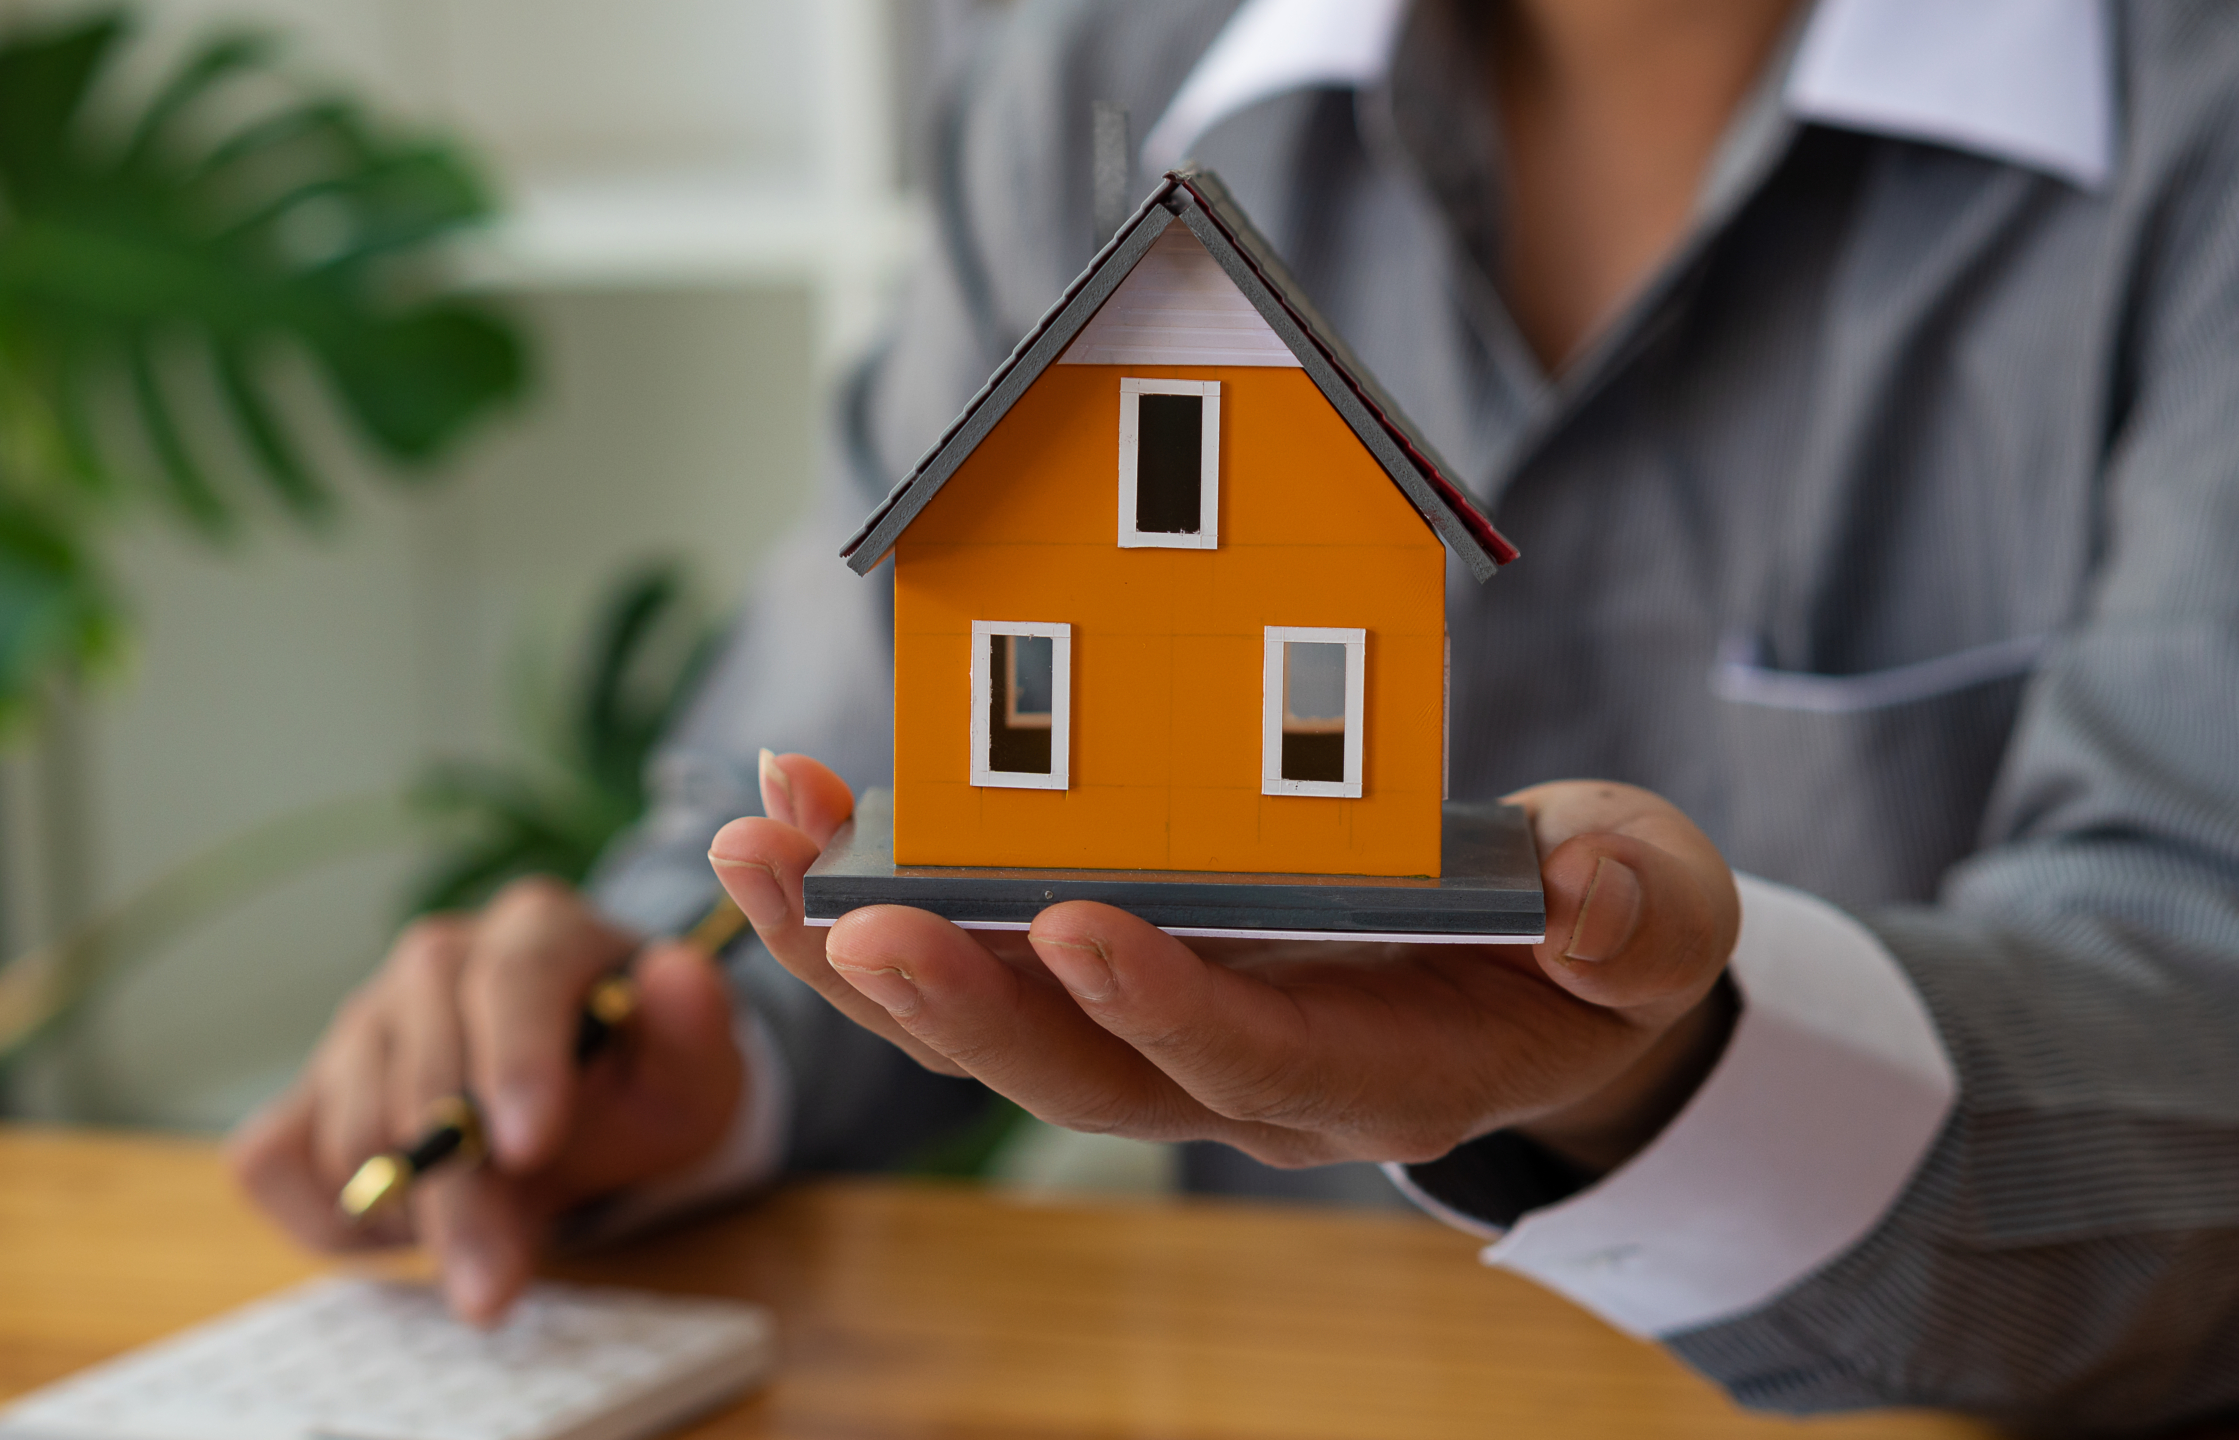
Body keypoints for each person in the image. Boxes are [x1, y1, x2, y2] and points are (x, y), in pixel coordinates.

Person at [228, 0, 2239, 1427]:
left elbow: (2198, 978)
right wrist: (679, 1053)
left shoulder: (2193, 124)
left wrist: (1664, 1073)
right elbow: (859, 784)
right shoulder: (1092, 80)